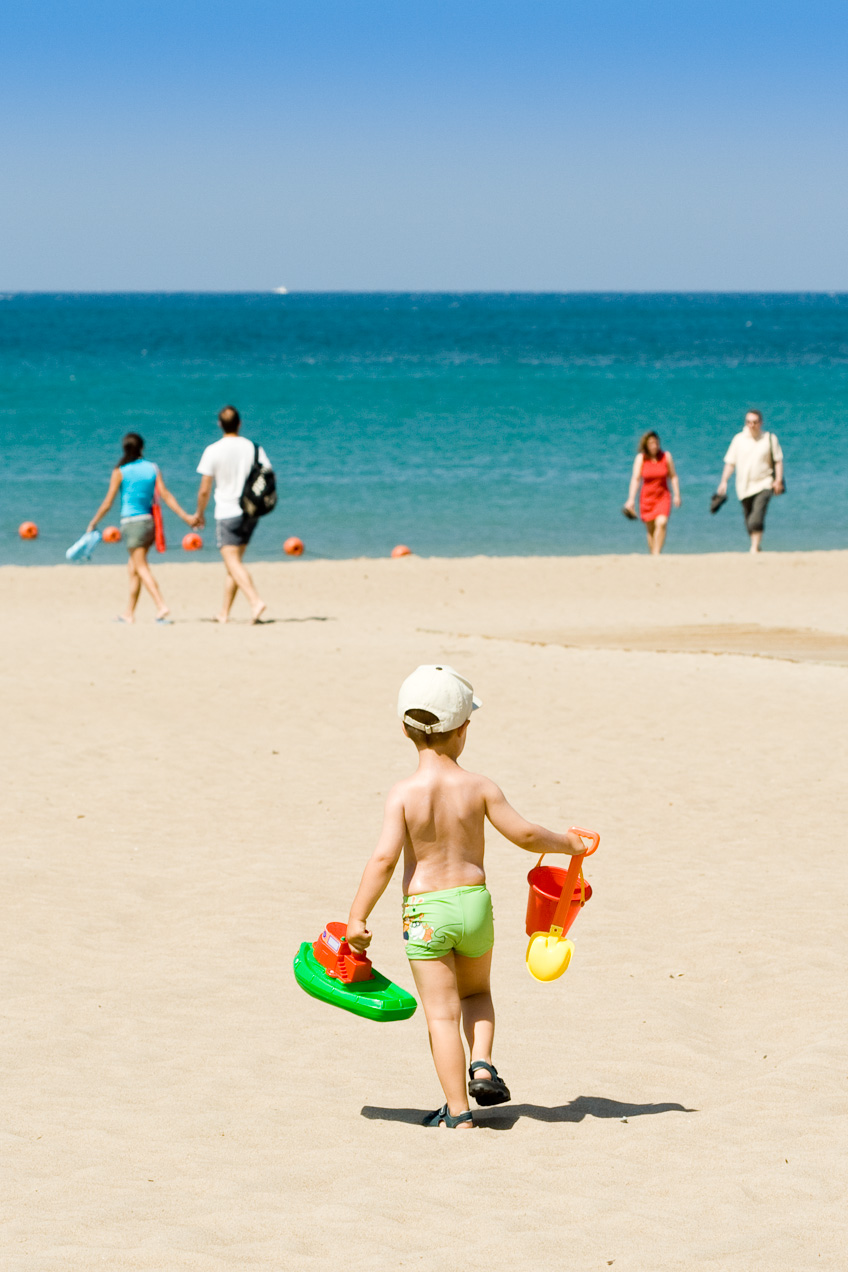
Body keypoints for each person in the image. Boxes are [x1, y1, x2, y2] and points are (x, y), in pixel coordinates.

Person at [344, 664, 587, 1129]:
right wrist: (569, 844)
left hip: (425, 914)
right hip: (474, 905)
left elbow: (383, 861)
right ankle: (482, 1063)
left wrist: (357, 917)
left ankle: (459, 1113)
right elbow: (527, 835)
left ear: (403, 728)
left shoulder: (403, 793)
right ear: (464, 730)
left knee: (440, 1014)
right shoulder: (480, 787)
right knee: (477, 992)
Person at [87, 432, 196, 623]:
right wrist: (185, 516)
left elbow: (108, 503)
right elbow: (166, 496)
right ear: (142, 448)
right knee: (134, 567)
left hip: (132, 523)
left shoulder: (120, 471)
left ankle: (161, 605)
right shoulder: (152, 468)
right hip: (149, 523)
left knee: (141, 566)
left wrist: (93, 522)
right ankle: (129, 613)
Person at [194, 406, 268, 623]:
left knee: (233, 563)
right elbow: (267, 474)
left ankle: (255, 601)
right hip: (250, 511)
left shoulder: (213, 450)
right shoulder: (253, 448)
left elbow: (205, 489)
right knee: (234, 563)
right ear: (239, 423)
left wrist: (199, 513)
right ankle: (224, 613)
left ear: (219, 424)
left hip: (227, 511)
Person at [716, 409, 784, 553]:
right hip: (743, 487)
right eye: (748, 422)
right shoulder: (738, 439)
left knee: (756, 518)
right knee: (749, 520)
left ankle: (753, 548)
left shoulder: (770, 439)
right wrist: (724, 481)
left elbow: (778, 461)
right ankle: (757, 546)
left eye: (755, 422)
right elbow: (730, 463)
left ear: (761, 423)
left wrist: (778, 480)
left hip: (765, 483)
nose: (751, 425)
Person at [623, 431, 681, 554]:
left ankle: (656, 554)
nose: (654, 445)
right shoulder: (641, 458)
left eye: (656, 442)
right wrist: (631, 499)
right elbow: (636, 479)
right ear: (646, 445)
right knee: (651, 530)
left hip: (663, 496)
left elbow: (673, 476)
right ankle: (653, 554)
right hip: (647, 498)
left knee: (662, 522)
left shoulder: (666, 456)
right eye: (651, 443)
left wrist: (677, 494)